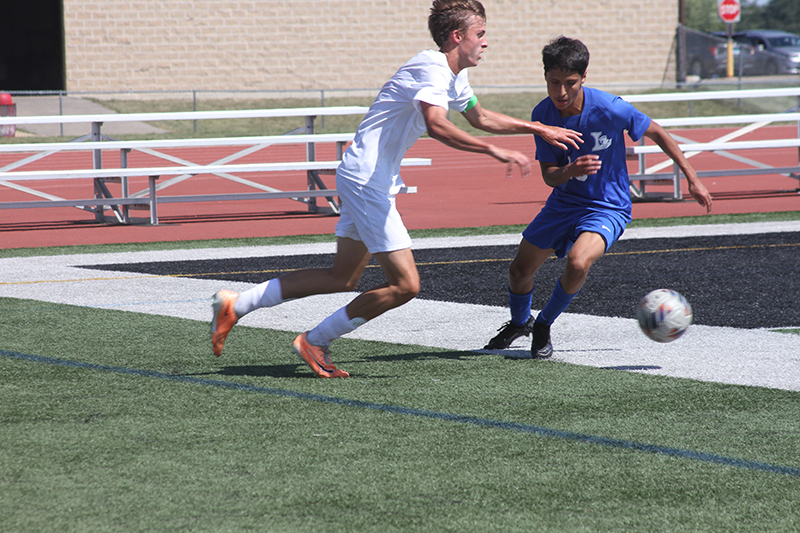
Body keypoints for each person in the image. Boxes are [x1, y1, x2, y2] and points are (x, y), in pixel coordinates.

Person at [209, 0, 582, 378]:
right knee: (405, 284)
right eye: (480, 34)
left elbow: (480, 116)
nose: (485, 43)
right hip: (367, 179)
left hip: (367, 177)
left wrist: (538, 129)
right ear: (458, 37)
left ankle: (236, 306)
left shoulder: (453, 75)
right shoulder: (431, 67)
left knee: (343, 276)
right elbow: (436, 124)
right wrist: (491, 149)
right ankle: (315, 340)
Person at [483, 36, 713, 358]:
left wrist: (693, 179)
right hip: (563, 204)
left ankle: (544, 324)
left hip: (608, 206)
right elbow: (550, 176)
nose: (561, 92)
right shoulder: (542, 114)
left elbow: (657, 131)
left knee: (578, 261)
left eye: (570, 83)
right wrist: (570, 170)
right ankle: (521, 322)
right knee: (519, 271)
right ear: (546, 76)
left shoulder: (609, 107)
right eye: (554, 82)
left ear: (584, 77)